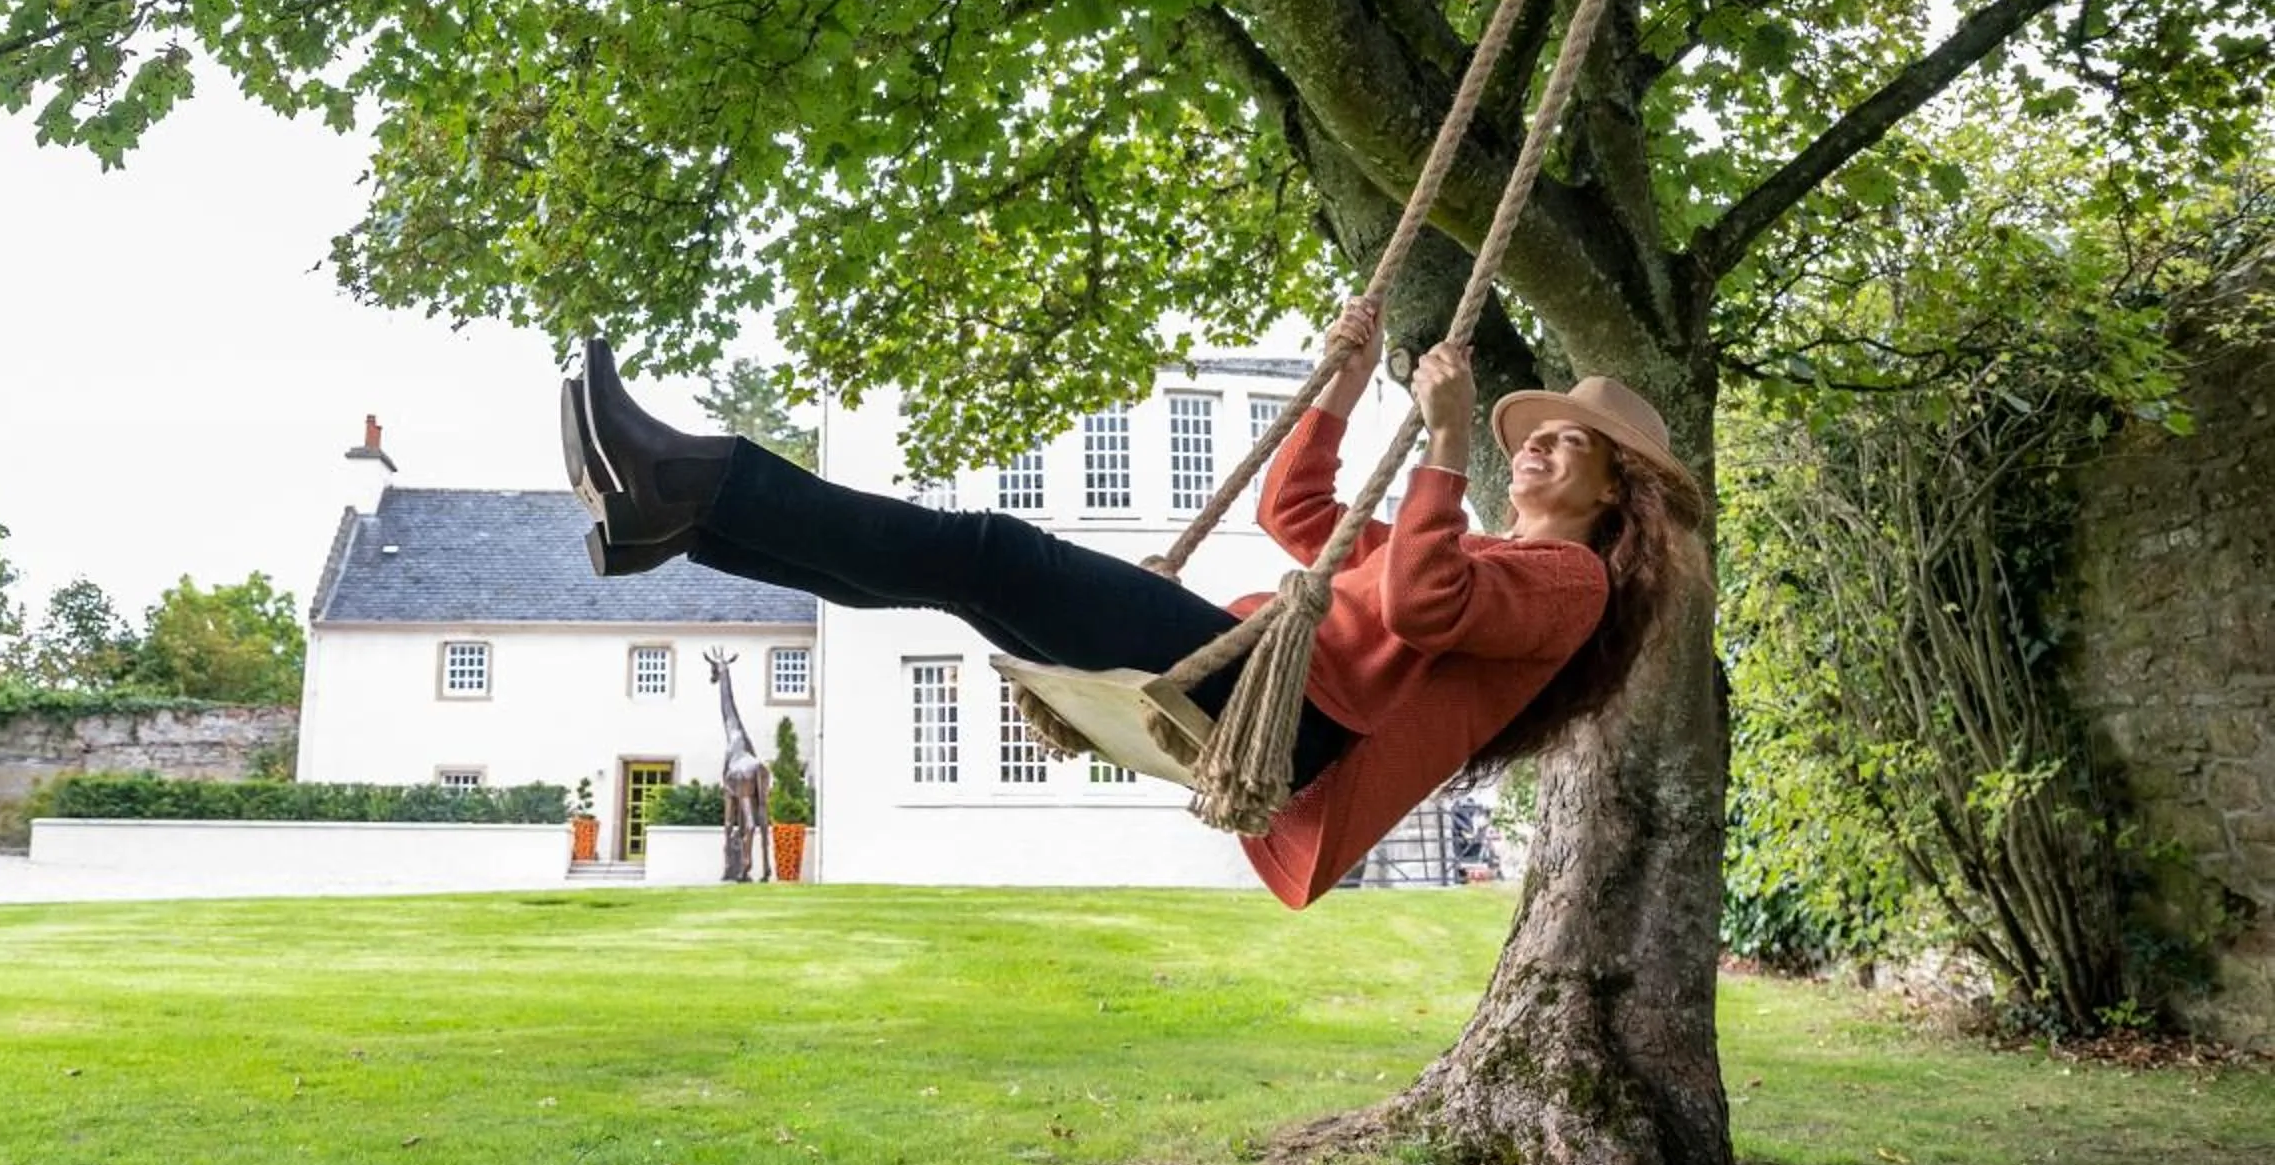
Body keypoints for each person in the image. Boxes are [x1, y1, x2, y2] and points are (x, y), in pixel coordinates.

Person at [560, 299, 1709, 906]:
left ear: (1621, 489)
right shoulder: (1476, 543)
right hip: (1268, 675)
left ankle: (692, 479)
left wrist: (1450, 442)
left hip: (1285, 710)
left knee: (987, 551)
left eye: (1574, 442)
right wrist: (1345, 389)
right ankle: (686, 518)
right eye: (1541, 430)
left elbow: (1415, 605)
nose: (1546, 446)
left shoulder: (1573, 581)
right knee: (969, 574)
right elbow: (1297, 513)